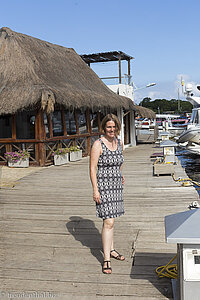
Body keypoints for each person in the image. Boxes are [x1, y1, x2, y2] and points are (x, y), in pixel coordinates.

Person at [90, 113, 125, 274]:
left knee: (112, 220)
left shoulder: (119, 142)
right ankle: (106, 259)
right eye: (109, 127)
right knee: (108, 221)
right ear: (104, 128)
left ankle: (111, 249)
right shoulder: (98, 144)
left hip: (116, 186)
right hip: (103, 186)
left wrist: (121, 174)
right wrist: (95, 189)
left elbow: (120, 161)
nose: (112, 129)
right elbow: (92, 168)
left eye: (114, 127)